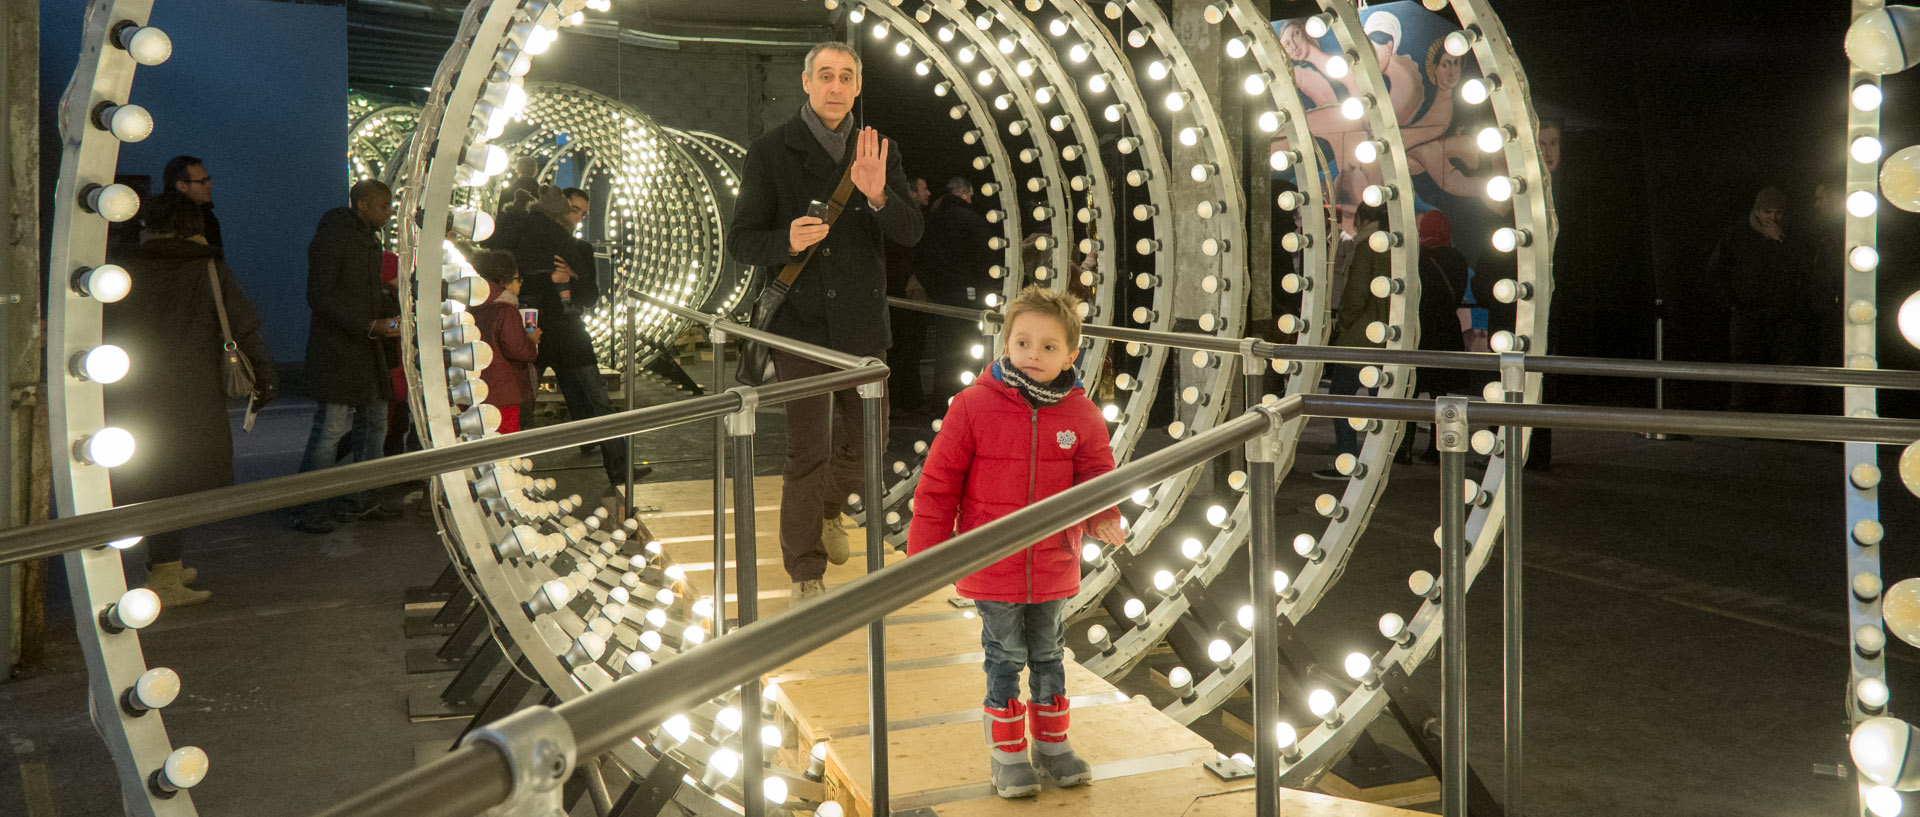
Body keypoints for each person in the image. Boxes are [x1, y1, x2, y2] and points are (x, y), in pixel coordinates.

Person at [725, 41, 924, 601]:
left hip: (862, 325)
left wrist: (880, 194)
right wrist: (782, 240)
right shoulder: (769, 151)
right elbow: (741, 240)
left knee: (870, 442)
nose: (835, 87)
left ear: (858, 87)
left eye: (846, 77)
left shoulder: (878, 149)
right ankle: (804, 571)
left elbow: (911, 232)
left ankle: (831, 509)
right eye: (825, 76)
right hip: (801, 324)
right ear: (807, 84)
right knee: (807, 450)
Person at [906, 285, 1121, 799]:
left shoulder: (1081, 414)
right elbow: (940, 482)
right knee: (1004, 655)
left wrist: (1103, 517)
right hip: (993, 561)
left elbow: (1095, 480)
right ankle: (1008, 755)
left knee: (1049, 653)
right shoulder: (973, 405)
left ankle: (1053, 746)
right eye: (1023, 342)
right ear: (1005, 345)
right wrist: (926, 557)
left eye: (1049, 347)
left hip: (1052, 560)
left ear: (1072, 354)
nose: (1034, 354)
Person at [104, 192, 277, 605]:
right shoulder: (207, 267)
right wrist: (265, 375)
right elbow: (243, 324)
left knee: (147, 475)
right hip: (191, 390)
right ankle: (165, 577)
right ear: (193, 227)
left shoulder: (121, 269)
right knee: (177, 478)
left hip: (129, 386)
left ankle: (164, 563)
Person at [293, 179, 401, 534]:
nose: (388, 212)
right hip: (339, 349)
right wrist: (370, 323)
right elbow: (320, 295)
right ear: (362, 205)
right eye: (383, 206)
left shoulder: (365, 237)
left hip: (364, 347)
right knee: (333, 428)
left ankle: (362, 498)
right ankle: (313, 506)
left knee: (374, 424)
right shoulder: (338, 236)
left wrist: (382, 309)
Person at [1711, 185, 1813, 413]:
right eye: (1768, 212)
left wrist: (1781, 241)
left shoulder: (1794, 234)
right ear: (1757, 211)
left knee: (1787, 370)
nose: (1773, 218)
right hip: (1747, 311)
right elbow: (1718, 268)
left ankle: (1786, 420)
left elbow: (1804, 269)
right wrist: (1731, 302)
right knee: (1746, 367)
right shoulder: (1738, 233)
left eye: (1778, 213)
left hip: (1785, 313)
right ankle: (1743, 418)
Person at [1315, 201, 1391, 479]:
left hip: (1361, 335)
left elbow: (1357, 293)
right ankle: (1379, 461)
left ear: (1360, 218)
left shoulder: (1366, 245)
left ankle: (1348, 460)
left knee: (1341, 397)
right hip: (1388, 335)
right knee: (1381, 401)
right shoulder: (1395, 243)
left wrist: (1344, 321)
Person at [917, 177, 995, 403]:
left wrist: (932, 285)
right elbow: (985, 257)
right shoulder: (971, 220)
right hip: (967, 291)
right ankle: (966, 398)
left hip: (941, 291)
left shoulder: (933, 219)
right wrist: (983, 289)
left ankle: (941, 398)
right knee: (967, 346)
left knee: (944, 346)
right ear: (964, 193)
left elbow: (922, 256)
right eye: (970, 195)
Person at [469, 249, 542, 433]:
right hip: (503, 390)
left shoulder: (475, 306)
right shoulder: (505, 309)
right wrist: (531, 341)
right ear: (506, 282)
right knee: (505, 444)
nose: (520, 284)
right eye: (518, 279)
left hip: (477, 386)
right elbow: (517, 349)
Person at [886, 176, 935, 417]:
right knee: (908, 345)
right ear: (912, 192)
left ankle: (901, 399)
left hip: (896, 290)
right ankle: (907, 399)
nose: (928, 193)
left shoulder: (898, 220)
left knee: (902, 347)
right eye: (923, 189)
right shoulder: (910, 223)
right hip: (904, 291)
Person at [162, 155, 221, 251]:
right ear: (182, 186)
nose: (210, 185)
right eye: (202, 181)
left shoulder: (207, 215)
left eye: (208, 179)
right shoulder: (169, 219)